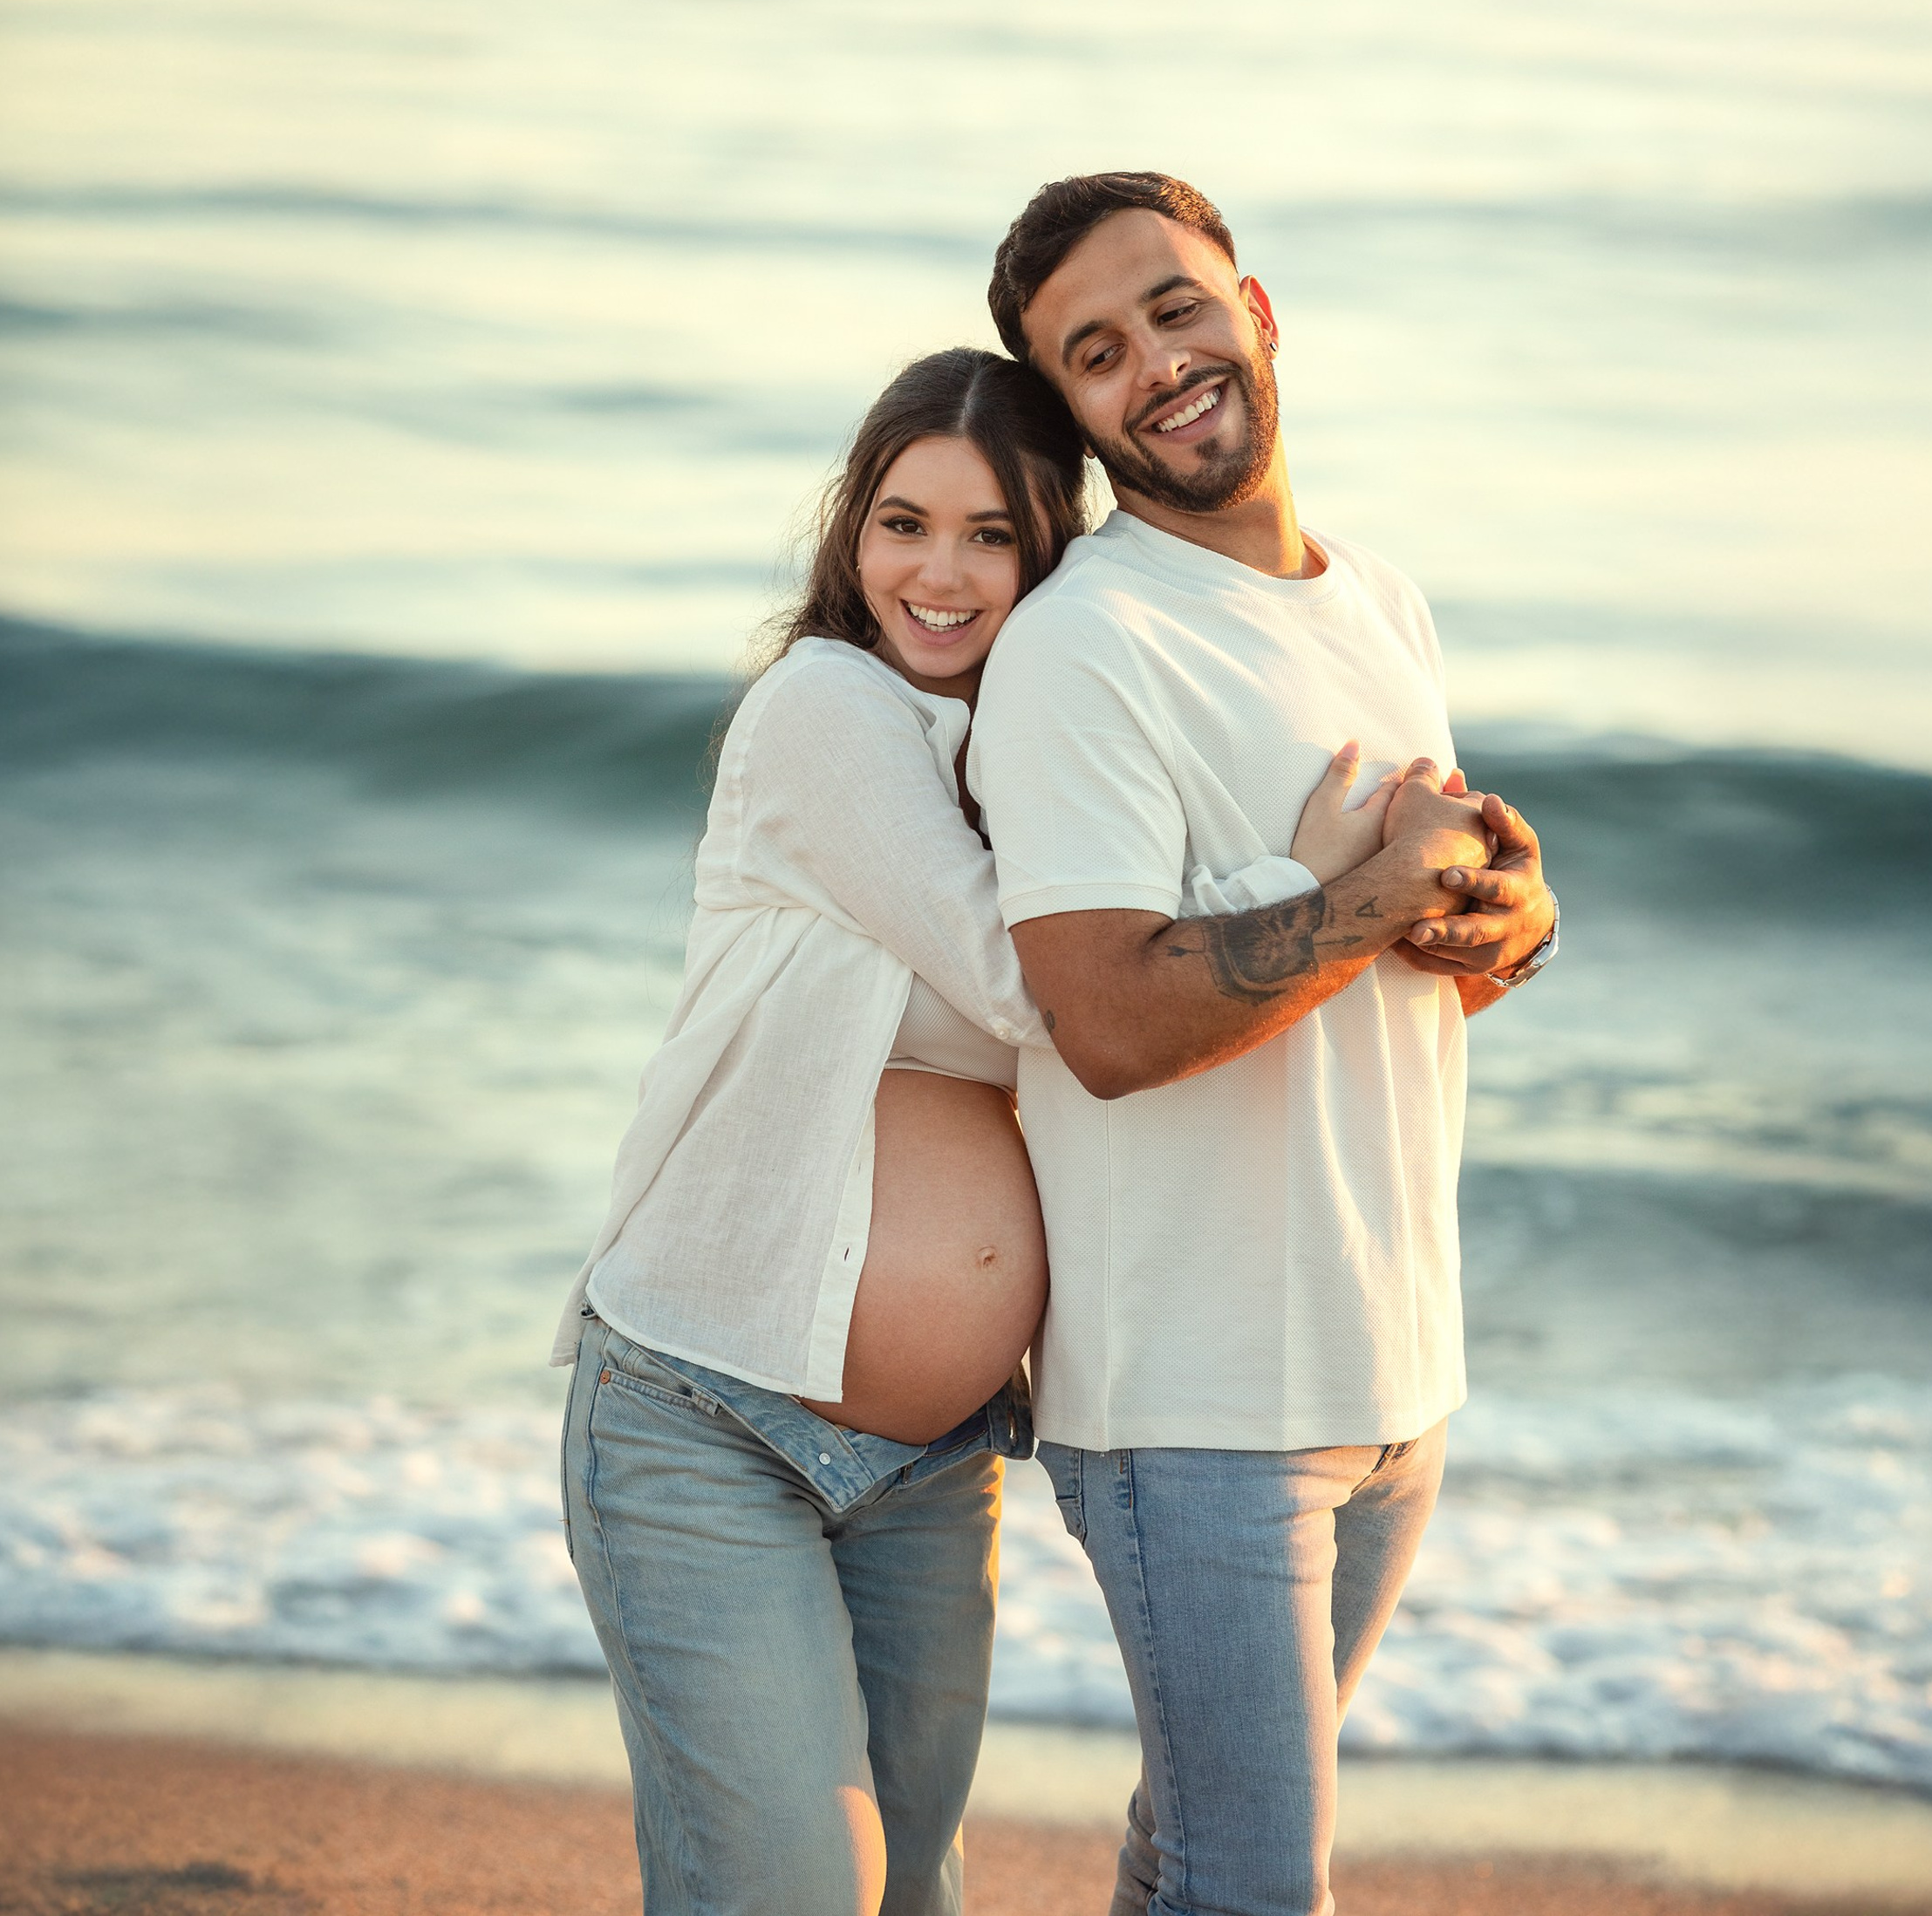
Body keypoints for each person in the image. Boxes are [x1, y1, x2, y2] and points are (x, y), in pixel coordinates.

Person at [549, 345, 1439, 1916]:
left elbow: (1139, 982)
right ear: (851, 536)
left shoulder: (1036, 750)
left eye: (989, 537)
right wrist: (1304, 887)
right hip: (711, 1416)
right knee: (796, 1891)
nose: (937, 575)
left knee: (913, 1894)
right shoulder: (823, 712)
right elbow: (1052, 999)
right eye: (902, 524)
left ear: (1049, 553)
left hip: (929, 1460)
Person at [969, 173, 1561, 1916]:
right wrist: (1367, 894)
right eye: (1093, 353)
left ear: (1257, 307)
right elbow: (1106, 1020)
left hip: (1390, 1363)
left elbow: (1404, 946)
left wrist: (1501, 922)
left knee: (1201, 1851)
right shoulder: (1082, 646)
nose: (1152, 362)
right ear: (1068, 413)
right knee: (1254, 1880)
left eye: (1170, 307)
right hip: (1198, 1396)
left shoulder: (1376, 597)